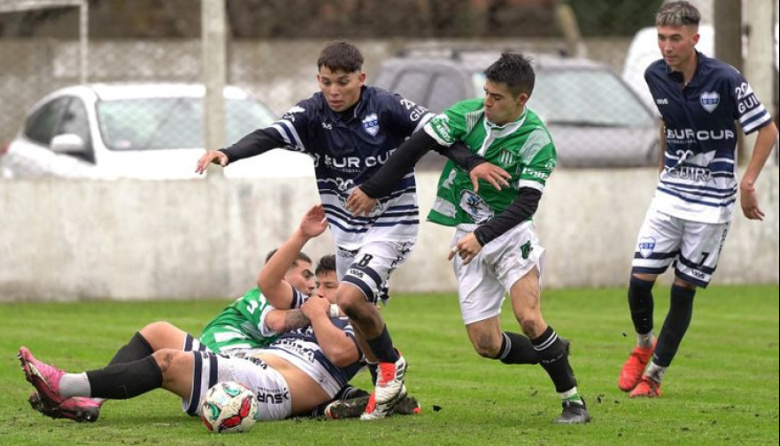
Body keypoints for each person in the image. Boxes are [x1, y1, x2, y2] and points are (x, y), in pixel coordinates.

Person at [195, 41, 505, 420]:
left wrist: (471, 162)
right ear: (318, 79)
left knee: (349, 296)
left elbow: (438, 134)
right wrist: (229, 153)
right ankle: (390, 392)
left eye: (342, 82)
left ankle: (391, 365)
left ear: (361, 78)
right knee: (355, 311)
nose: (334, 91)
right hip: (346, 233)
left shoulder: (386, 106)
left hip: (392, 225)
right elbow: (271, 133)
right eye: (326, 82)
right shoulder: (311, 113)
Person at [346, 52, 590, 424]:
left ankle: (573, 402)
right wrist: (374, 189)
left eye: (496, 97)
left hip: (510, 235)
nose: (487, 102)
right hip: (468, 237)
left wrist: (483, 235)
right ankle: (554, 350)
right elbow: (415, 147)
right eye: (486, 92)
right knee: (486, 345)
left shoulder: (537, 140)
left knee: (528, 318)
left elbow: (527, 203)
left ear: (521, 99)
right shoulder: (467, 114)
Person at [617, 1, 778, 398]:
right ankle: (642, 346)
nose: (667, 46)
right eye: (661, 38)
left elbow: (768, 130)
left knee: (682, 290)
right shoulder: (654, 74)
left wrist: (748, 182)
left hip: (711, 207)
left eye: (675, 38)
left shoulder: (725, 78)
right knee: (639, 284)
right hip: (669, 197)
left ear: (694, 39)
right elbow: (666, 123)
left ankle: (653, 378)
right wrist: (661, 171)